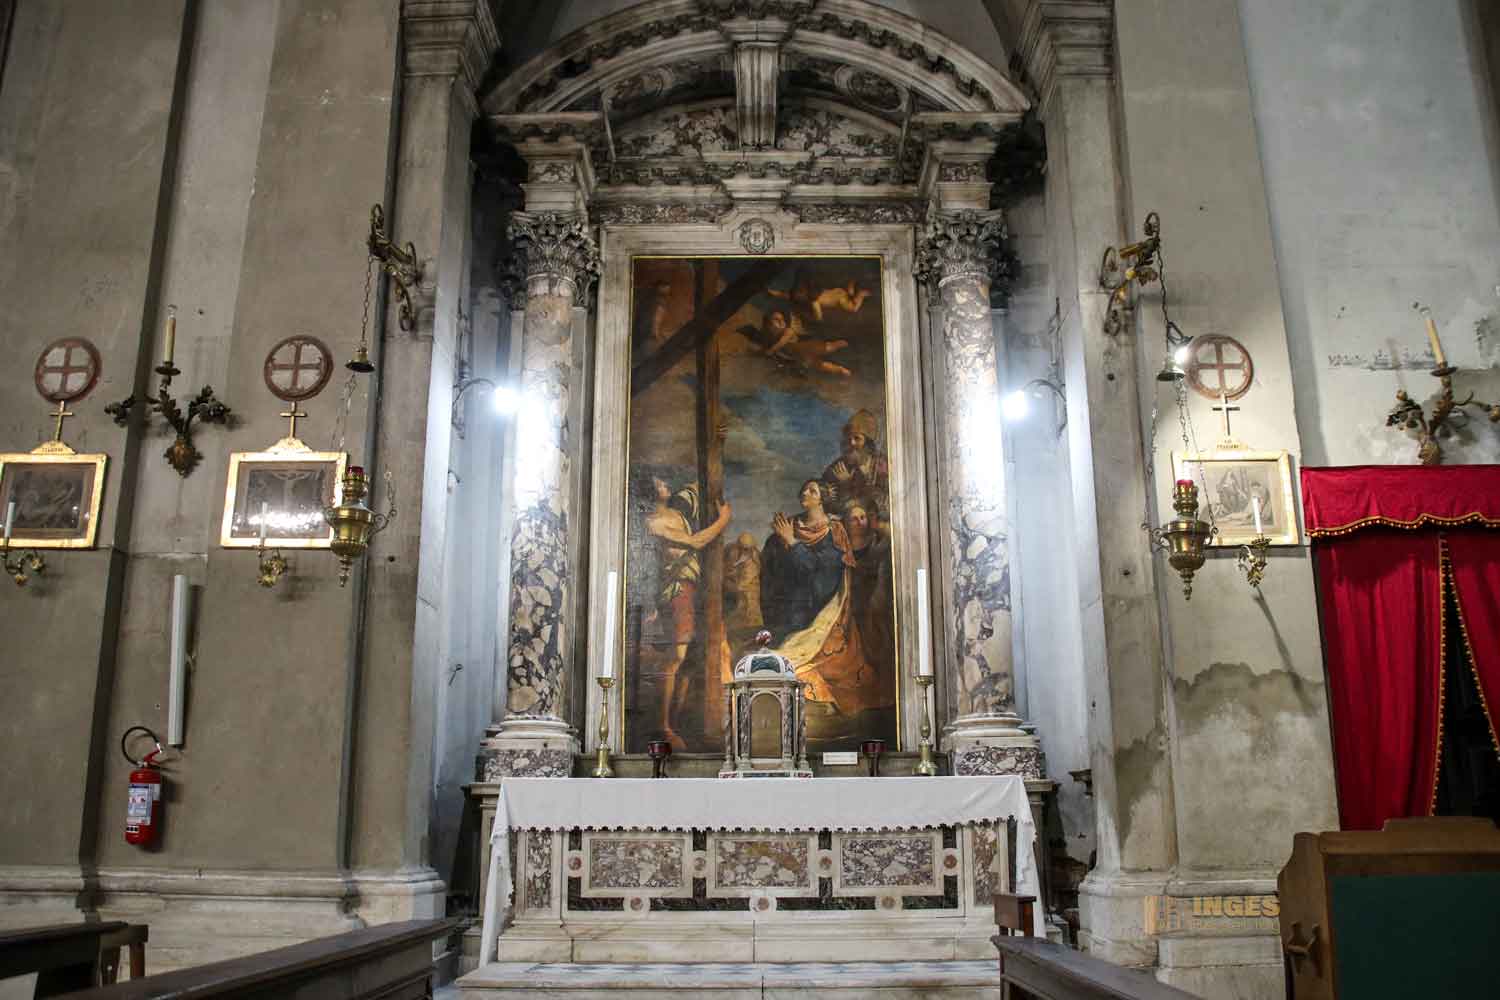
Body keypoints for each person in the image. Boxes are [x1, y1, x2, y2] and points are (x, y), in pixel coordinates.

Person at [758, 480, 880, 715]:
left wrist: (792, 543)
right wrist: (779, 543)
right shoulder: (790, 526)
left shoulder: (834, 532)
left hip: (820, 613)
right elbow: (772, 572)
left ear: (822, 498)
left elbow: (823, 579)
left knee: (795, 665)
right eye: (804, 488)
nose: (805, 492)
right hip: (786, 612)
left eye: (812, 490)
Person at [635, 473, 733, 749]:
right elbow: (697, 542)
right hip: (676, 590)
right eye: (658, 483)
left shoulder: (678, 513)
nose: (664, 484)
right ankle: (663, 725)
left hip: (695, 588)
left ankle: (676, 722)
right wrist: (724, 520)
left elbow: (700, 485)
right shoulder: (653, 522)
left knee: (691, 658)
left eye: (663, 481)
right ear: (650, 492)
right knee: (676, 656)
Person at [822, 409, 889, 515]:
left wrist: (851, 483)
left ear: (867, 442)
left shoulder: (881, 465)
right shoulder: (836, 467)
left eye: (857, 438)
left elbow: (887, 505)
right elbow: (826, 506)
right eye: (848, 439)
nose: (852, 443)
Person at [723, 531, 763, 633]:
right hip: (740, 597)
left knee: (749, 621)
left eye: (746, 549)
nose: (743, 551)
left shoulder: (753, 563)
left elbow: (741, 585)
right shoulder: (736, 555)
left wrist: (728, 582)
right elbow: (732, 571)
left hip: (749, 597)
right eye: (741, 548)